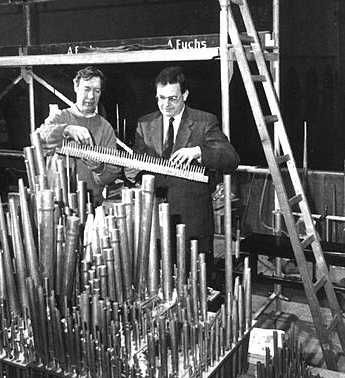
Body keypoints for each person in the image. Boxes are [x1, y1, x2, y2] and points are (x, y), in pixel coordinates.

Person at [127, 66, 239, 283]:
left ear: (185, 95)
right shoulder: (145, 124)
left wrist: (199, 152)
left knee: (197, 284)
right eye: (161, 98)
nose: (166, 105)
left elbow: (231, 158)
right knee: (158, 282)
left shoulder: (204, 121)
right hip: (154, 220)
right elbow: (137, 167)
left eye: (173, 98)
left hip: (192, 221)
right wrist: (131, 173)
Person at [36, 66, 120, 204]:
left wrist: (99, 168)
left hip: (91, 204)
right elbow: (38, 139)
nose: (91, 96)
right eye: (86, 89)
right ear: (76, 87)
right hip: (58, 203)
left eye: (96, 91)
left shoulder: (106, 128)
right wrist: (66, 129)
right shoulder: (59, 118)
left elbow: (112, 173)